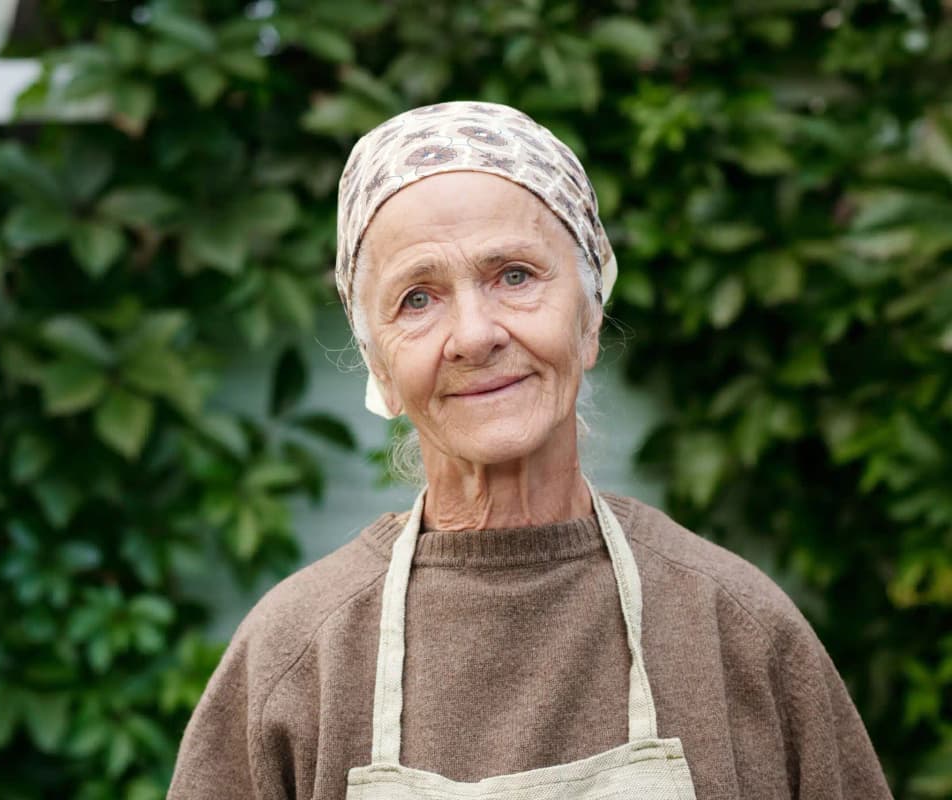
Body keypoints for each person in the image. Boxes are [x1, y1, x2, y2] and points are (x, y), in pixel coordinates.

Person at [167, 102, 891, 799]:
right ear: (379, 365)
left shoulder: (736, 626)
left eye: (514, 275)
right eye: (417, 298)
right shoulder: (299, 653)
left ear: (589, 318)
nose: (475, 334)